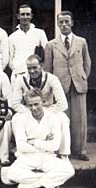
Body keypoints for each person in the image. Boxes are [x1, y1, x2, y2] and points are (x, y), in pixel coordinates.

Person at [1, 89, 74, 188]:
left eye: (36, 104)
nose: (33, 108)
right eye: (30, 105)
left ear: (43, 101)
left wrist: (34, 141)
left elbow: (55, 146)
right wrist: (45, 144)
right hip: (27, 156)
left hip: (47, 157)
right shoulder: (21, 119)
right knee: (12, 174)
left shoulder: (53, 118)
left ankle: (31, 185)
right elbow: (21, 146)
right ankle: (50, 181)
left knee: (69, 170)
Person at [44, 11, 91, 161]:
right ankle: (62, 150)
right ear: (58, 24)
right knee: (62, 118)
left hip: (78, 84)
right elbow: (47, 68)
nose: (64, 24)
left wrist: (82, 76)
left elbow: (86, 62)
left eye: (67, 22)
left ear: (72, 23)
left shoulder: (81, 42)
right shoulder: (51, 44)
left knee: (80, 119)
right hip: (60, 85)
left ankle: (80, 150)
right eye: (61, 22)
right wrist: (51, 87)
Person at [12, 54, 71, 160]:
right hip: (29, 110)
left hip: (48, 110)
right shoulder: (21, 79)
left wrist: (45, 112)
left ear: (41, 66)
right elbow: (15, 103)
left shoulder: (52, 79)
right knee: (16, 118)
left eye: (35, 67)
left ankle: (64, 154)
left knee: (63, 118)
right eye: (29, 68)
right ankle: (22, 150)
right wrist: (30, 111)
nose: (32, 71)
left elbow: (63, 104)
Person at [8, 4, 48, 85]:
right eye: (22, 14)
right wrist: (16, 69)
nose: (25, 17)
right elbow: (10, 57)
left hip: (35, 74)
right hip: (18, 74)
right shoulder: (12, 36)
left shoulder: (40, 33)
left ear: (31, 16)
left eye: (27, 14)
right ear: (18, 16)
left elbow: (47, 52)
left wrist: (40, 70)